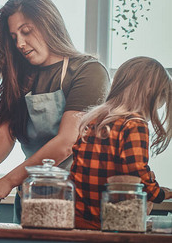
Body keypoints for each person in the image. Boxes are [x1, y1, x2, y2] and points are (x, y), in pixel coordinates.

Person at [0, 0, 110, 223]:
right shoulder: (21, 76)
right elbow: (4, 134)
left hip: (79, 199)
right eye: (14, 36)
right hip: (31, 197)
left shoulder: (88, 71)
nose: (19, 43)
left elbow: (67, 142)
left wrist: (7, 181)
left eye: (26, 31)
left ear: (49, 24)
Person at [70, 56, 172, 229]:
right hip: (112, 222)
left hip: (79, 220)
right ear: (150, 92)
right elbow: (137, 170)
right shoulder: (134, 124)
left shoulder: (94, 119)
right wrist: (159, 194)